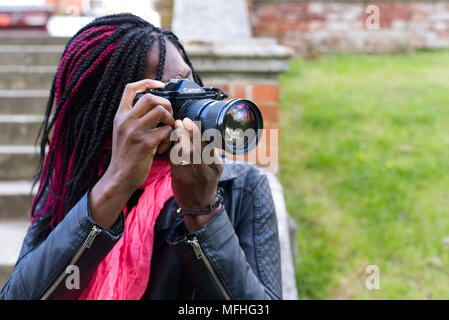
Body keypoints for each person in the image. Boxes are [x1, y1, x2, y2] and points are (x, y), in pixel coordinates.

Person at [0, 13, 282, 300]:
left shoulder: (241, 188)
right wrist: (115, 184)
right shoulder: (73, 183)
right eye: (166, 96)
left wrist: (203, 210)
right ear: (109, 115)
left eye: (187, 80)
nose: (189, 100)